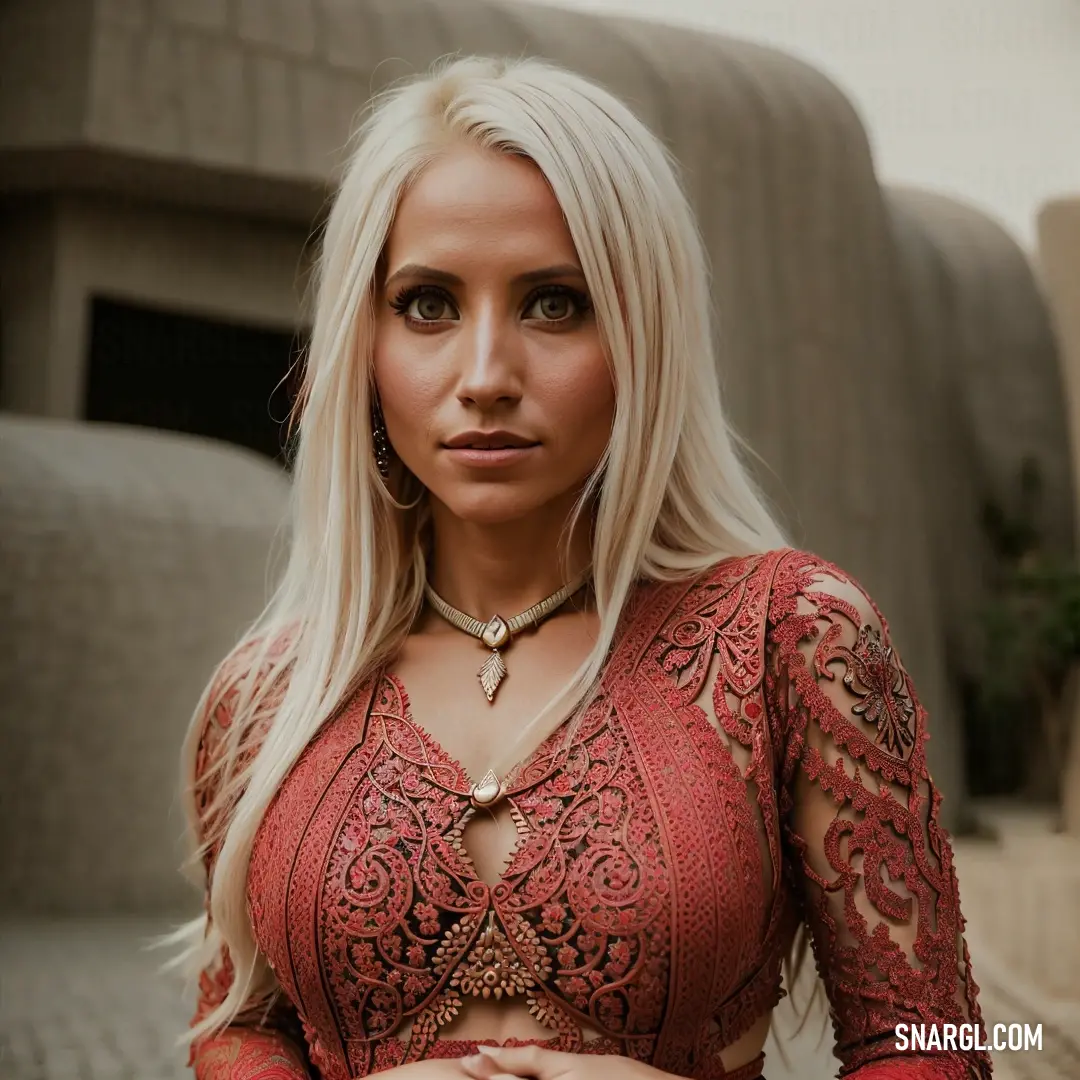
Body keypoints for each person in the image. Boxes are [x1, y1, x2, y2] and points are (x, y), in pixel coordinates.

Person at [170, 55, 992, 1080]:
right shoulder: (268, 697)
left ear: (644, 332)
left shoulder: (790, 636)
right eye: (427, 304)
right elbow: (237, 1024)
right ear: (363, 341)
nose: (483, 377)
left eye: (553, 303)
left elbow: (944, 1039)